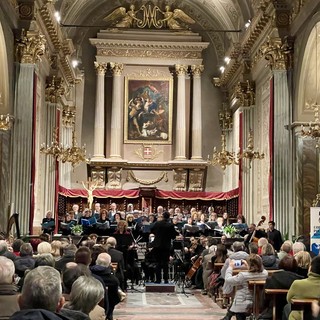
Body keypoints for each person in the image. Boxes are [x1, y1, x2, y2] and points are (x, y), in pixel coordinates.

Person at [221, 254, 268, 320]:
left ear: (250, 265)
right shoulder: (265, 273)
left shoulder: (243, 275)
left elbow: (228, 280)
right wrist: (248, 265)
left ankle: (228, 316)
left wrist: (230, 267)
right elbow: (256, 271)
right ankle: (228, 316)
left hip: (242, 302)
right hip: (257, 301)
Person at [283, 255, 320, 320]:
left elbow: (288, 300)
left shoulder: (298, 284)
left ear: (310, 268)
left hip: (299, 317)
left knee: (287, 307)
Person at [90, 253, 121, 320]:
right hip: (107, 309)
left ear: (96, 262)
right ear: (109, 264)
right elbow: (115, 298)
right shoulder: (113, 280)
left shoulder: (89, 274)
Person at [150, 211, 178, 283]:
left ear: (162, 216)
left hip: (157, 245)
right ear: (169, 217)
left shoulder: (157, 223)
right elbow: (173, 236)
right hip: (166, 246)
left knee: (158, 263)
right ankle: (166, 280)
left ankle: (158, 280)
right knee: (165, 263)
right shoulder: (170, 225)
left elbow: (151, 230)